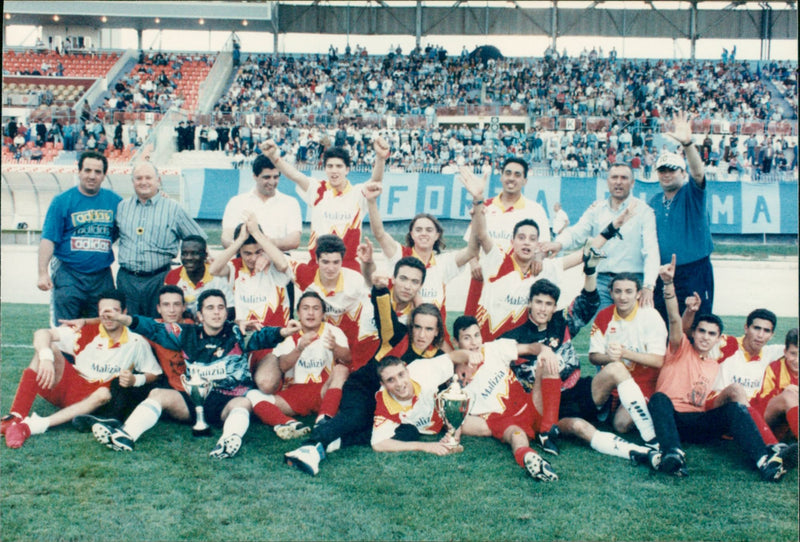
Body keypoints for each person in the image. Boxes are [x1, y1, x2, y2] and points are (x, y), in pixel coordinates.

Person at [89, 289, 300, 459]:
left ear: (226, 313)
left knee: (243, 403)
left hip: (226, 402)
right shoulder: (186, 333)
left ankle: (228, 441)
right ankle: (126, 435)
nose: (216, 312)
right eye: (210, 308)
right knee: (158, 394)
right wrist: (122, 318)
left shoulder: (237, 334)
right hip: (194, 402)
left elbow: (262, 337)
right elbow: (152, 328)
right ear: (200, 315)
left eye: (220, 308)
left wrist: (283, 332)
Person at [646, 255, 796, 481]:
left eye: (712, 334)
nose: (706, 337)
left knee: (735, 409)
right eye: (702, 331)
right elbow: (676, 321)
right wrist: (668, 284)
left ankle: (765, 461)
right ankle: (673, 453)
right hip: (673, 418)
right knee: (659, 398)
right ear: (694, 333)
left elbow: (789, 349)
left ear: (719, 338)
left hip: (700, 421)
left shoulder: (717, 361)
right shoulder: (679, 348)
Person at [284, 304, 447, 476]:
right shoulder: (397, 336)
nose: (422, 334)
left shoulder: (439, 358)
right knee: (357, 417)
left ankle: (337, 442)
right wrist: (379, 287)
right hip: (364, 388)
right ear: (410, 326)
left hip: (390, 403)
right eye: (418, 327)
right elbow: (382, 308)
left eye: (429, 329)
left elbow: (444, 396)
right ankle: (308, 447)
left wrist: (452, 432)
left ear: (437, 331)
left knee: (409, 431)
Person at [2, 290, 162, 448]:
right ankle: (15, 416)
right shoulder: (85, 331)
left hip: (95, 400)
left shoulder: (136, 341)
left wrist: (136, 379)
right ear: (98, 313)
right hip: (68, 387)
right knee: (48, 347)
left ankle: (31, 427)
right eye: (104, 312)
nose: (109, 317)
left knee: (104, 393)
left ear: (124, 312)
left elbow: (154, 373)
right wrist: (46, 357)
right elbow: (42, 333)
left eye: (114, 311)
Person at [473, 199, 636, 342]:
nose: (526, 243)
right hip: (491, 344)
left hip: (522, 350)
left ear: (538, 244)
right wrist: (478, 199)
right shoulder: (498, 260)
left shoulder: (545, 268)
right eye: (521, 238)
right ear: (512, 241)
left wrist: (615, 226)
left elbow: (583, 254)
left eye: (532, 239)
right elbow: (481, 234)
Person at [363, 167, 484, 346]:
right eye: (418, 229)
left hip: (435, 341)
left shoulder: (444, 263)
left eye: (429, 230)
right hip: (401, 337)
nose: (424, 234)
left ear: (437, 235)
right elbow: (379, 233)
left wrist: (478, 202)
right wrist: (371, 202)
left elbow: (473, 250)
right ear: (411, 234)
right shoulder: (399, 255)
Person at [451, 316, 559, 481]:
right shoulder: (456, 379)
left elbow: (531, 348)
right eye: (467, 338)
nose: (474, 342)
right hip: (505, 421)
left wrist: (545, 350)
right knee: (517, 437)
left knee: (549, 363)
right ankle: (532, 461)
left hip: (529, 406)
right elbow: (456, 416)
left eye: (477, 335)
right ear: (456, 342)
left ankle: (547, 431)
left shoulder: (494, 348)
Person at [542, 163, 659, 309]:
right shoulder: (597, 210)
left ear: (632, 182)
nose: (618, 182)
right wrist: (558, 244)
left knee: (632, 330)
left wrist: (648, 286)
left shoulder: (644, 212)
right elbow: (576, 233)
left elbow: (651, 251)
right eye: (614, 177)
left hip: (633, 282)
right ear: (608, 181)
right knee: (602, 330)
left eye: (624, 178)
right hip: (603, 283)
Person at [261, 137, 390, 269]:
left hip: (348, 266)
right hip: (318, 265)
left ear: (347, 169)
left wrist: (380, 158)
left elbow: (375, 182)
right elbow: (295, 175)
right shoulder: (317, 189)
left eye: (339, 166)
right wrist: (274, 156)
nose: (334, 170)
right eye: (330, 166)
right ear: (325, 169)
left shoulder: (358, 193)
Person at [247, 292, 351, 439]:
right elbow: (281, 367)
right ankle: (289, 423)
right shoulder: (288, 333)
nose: (310, 313)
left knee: (341, 370)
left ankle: (324, 418)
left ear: (322, 314)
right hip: (295, 393)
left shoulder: (333, 331)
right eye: (305, 308)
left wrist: (335, 347)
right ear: (298, 313)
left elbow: (347, 358)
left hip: (323, 390)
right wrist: (299, 348)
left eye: (316, 308)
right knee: (252, 395)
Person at [209, 216, 293, 394]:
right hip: (247, 343)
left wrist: (257, 235)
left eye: (258, 252)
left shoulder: (274, 267)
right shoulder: (235, 267)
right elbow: (213, 269)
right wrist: (239, 240)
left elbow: (283, 263)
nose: (253, 258)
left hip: (275, 342)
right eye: (248, 253)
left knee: (266, 384)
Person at [37, 151, 121, 326]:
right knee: (65, 328)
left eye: (98, 172)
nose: (92, 176)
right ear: (79, 171)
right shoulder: (61, 201)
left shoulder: (115, 202)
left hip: (102, 276)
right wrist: (42, 273)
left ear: (104, 175)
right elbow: (48, 239)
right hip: (69, 274)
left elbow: (120, 231)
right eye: (87, 170)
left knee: (101, 328)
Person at [116, 161, 207, 317]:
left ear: (158, 180)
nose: (143, 182)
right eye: (138, 178)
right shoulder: (122, 207)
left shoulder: (173, 208)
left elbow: (198, 240)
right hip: (127, 280)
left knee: (158, 327)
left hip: (159, 278)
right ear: (132, 182)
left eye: (148, 178)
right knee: (128, 327)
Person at [648, 111, 714, 321]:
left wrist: (687, 144)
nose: (666, 174)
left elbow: (698, 174)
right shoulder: (655, 201)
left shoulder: (691, 193)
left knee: (696, 325)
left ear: (682, 173)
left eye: (672, 170)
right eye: (662, 170)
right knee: (662, 327)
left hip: (694, 271)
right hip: (664, 273)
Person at [288, 234, 379, 370]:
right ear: (317, 260)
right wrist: (259, 244)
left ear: (342, 261)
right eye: (325, 262)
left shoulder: (354, 280)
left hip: (352, 346)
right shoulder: (307, 276)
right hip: (322, 344)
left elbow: (371, 282)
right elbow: (281, 260)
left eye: (336, 262)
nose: (331, 268)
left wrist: (368, 263)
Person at [370, 355, 459, 456]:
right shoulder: (385, 403)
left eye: (401, 375)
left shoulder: (423, 370)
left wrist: (455, 431)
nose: (399, 383)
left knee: (478, 427)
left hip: (442, 406)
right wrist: (425, 446)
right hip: (422, 426)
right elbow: (378, 444)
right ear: (383, 385)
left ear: (408, 372)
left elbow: (454, 356)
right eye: (390, 380)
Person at [220, 154, 301, 250]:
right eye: (266, 177)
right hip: (245, 259)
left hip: (279, 259)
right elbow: (226, 238)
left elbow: (294, 241)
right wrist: (249, 250)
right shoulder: (236, 202)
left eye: (276, 177)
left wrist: (265, 243)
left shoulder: (290, 203)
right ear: (255, 176)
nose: (272, 182)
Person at [163, 235, 233, 318]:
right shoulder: (173, 276)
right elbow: (167, 308)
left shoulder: (217, 275)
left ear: (205, 255)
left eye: (194, 254)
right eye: (184, 254)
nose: (188, 258)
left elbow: (230, 308)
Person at [751, 328, 798, 440]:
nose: (797, 360)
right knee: (790, 393)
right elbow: (764, 402)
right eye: (793, 354)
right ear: (785, 351)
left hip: (791, 424)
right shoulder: (775, 368)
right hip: (770, 421)